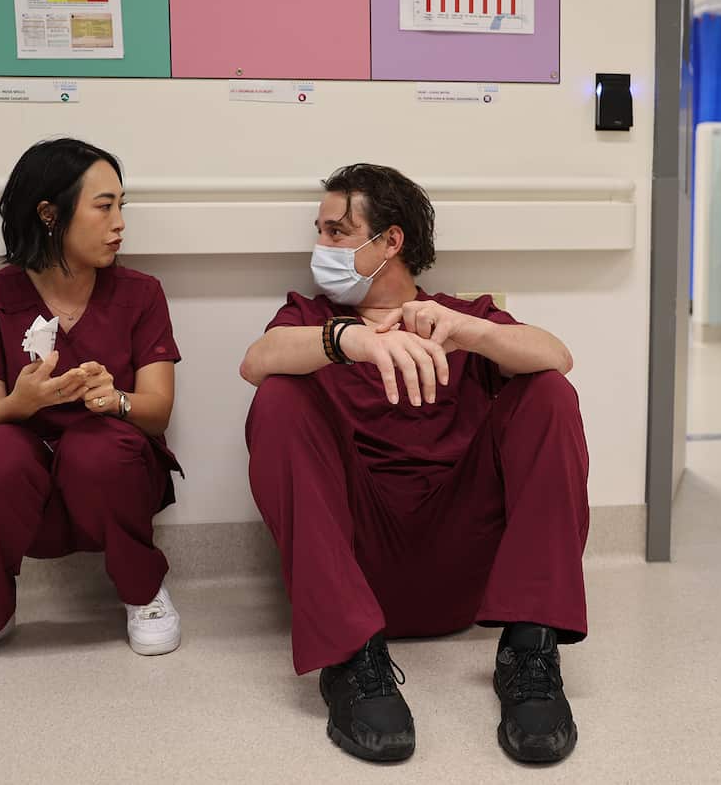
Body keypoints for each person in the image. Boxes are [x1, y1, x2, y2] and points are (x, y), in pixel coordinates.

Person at [240, 164, 590, 764]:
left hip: (465, 564)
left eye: (336, 232)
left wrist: (470, 331)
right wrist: (348, 340)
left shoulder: (456, 316)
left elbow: (556, 355)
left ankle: (530, 652)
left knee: (549, 392)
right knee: (276, 397)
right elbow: (256, 360)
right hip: (354, 567)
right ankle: (351, 661)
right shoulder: (311, 318)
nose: (320, 246)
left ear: (390, 242)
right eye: (319, 232)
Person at [0, 138, 184, 680]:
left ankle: (143, 592)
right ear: (49, 214)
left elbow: (157, 412)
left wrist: (116, 399)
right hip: (25, 475)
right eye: (103, 207)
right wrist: (23, 401)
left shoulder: (141, 293)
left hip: (109, 469)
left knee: (97, 449)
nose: (120, 223)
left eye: (121, 206)